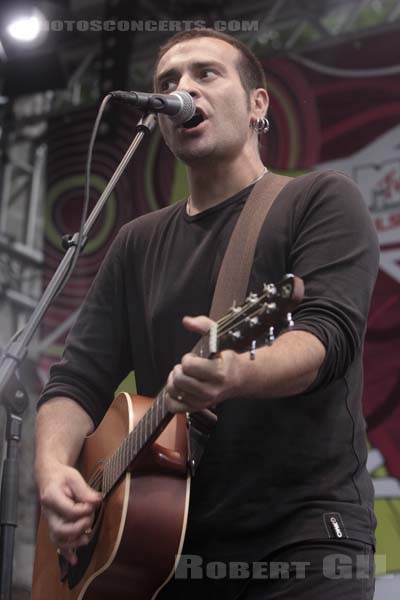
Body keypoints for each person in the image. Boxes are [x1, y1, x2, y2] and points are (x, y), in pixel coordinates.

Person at [35, 28, 380, 599]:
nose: (182, 88)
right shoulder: (135, 243)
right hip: (163, 553)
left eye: (205, 73)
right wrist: (53, 473)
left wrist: (238, 374)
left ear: (257, 105)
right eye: (167, 81)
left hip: (302, 540)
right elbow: (74, 382)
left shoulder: (317, 201)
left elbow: (328, 335)